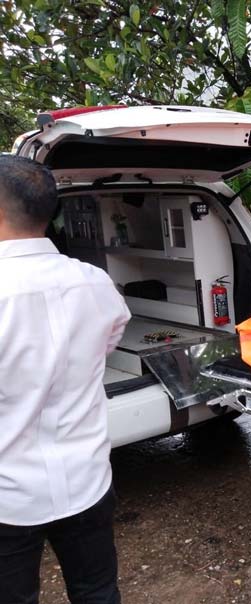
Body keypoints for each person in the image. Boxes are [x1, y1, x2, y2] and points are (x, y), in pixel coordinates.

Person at [0, 156, 131, 603]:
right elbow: (109, 341)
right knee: (97, 591)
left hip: (10, 494)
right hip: (87, 478)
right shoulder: (95, 282)